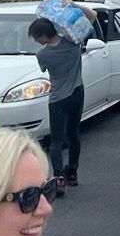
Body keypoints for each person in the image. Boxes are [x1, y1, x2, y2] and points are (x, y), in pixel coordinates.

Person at [29, 10, 96, 190]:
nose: (36, 41)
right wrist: (71, 5)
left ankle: (58, 176)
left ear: (43, 35)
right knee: (74, 134)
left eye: (36, 38)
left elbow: (44, 70)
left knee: (56, 141)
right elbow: (92, 15)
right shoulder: (73, 41)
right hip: (77, 92)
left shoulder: (42, 55)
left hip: (58, 99)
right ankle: (73, 171)